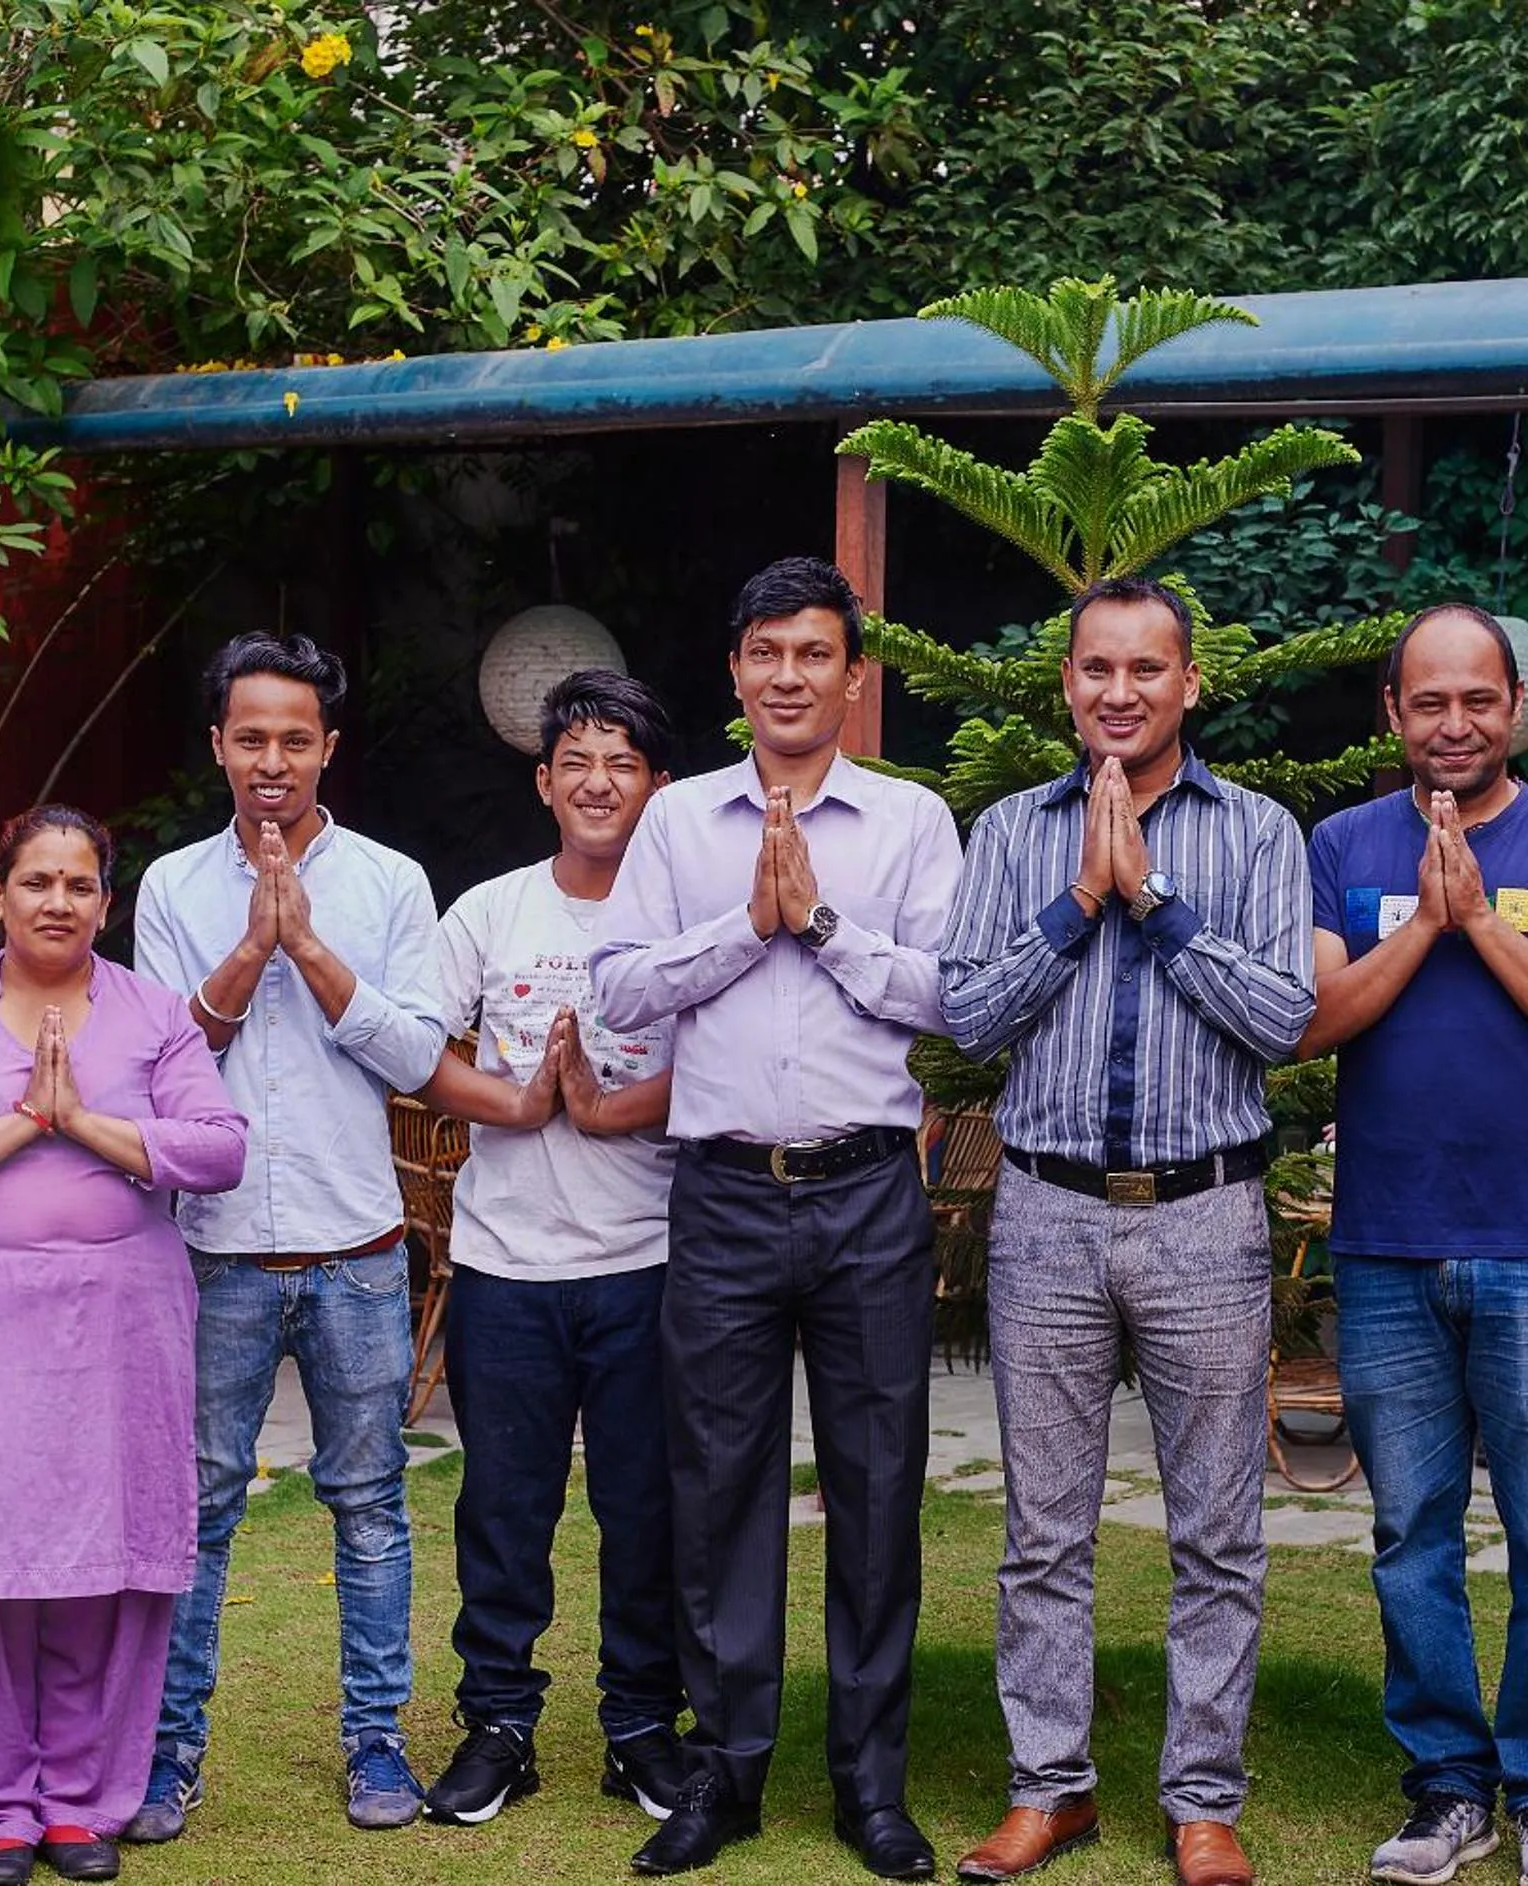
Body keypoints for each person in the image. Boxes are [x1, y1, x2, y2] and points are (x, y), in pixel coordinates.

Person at [939, 577, 1316, 1886]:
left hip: (1202, 1214)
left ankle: (1201, 1797)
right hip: (1042, 1212)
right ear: (1066, 684)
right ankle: (1049, 1787)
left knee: (1216, 1529)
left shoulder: (1260, 832)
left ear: (1186, 683)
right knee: (1041, 1530)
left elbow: (1279, 1019)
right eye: (1094, 668)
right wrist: (1075, 904)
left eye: (1144, 669)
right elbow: (967, 1017)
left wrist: (1150, 900)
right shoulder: (1002, 834)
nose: (1117, 691)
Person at [590, 556, 962, 1880]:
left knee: (874, 1492)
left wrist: (822, 921)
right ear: (735, 671)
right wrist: (748, 929)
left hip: (866, 1188)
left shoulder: (912, 819)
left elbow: (950, 997)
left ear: (852, 675)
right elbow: (623, 990)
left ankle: (869, 1785)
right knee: (720, 1491)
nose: (790, 675)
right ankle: (725, 1773)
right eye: (766, 653)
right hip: (724, 1195)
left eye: (815, 653)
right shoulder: (679, 822)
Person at [1295, 605, 1528, 1886]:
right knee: (1411, 1532)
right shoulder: (1342, 842)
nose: (1454, 723)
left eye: (1477, 700)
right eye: (1428, 701)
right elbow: (1311, 1018)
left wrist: (1487, 924)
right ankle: (1449, 1784)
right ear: (1393, 713)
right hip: (1389, 1246)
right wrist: (1425, 925)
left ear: (1516, 707)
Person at [0, 807, 248, 1885]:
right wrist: (27, 1119)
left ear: (105, 905)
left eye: (80, 884)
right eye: (36, 881)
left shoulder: (155, 1014)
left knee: (101, 1563)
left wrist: (84, 1122)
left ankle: (82, 1801)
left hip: (119, 1328)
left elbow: (218, 1150)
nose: (58, 901)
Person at [126, 633, 449, 1839]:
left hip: (359, 1248)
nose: (272, 760)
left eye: (294, 738)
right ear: (218, 744)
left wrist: (307, 942)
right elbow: (163, 1063)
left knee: (367, 1505)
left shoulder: (389, 883)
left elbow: (420, 1058)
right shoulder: (169, 887)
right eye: (249, 736)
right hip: (212, 1252)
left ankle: (376, 1742)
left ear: (329, 748)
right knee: (198, 1507)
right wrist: (251, 942)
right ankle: (168, 1753)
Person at [413, 671, 692, 1830]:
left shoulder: (684, 917)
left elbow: (730, 1062)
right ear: (544, 782)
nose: (597, 780)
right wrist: (519, 1102)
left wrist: (611, 1103)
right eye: (576, 759)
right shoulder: (489, 911)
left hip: (647, 1261)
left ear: (657, 787)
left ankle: (641, 1727)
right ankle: (498, 1726)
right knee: (504, 1508)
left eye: (621, 761)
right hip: (506, 1267)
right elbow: (414, 1051)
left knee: (648, 1510)